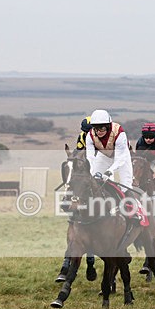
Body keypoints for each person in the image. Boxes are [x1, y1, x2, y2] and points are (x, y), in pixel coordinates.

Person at [56, 115, 97, 283]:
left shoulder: (101, 141)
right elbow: (76, 157)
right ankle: (68, 262)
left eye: (90, 131)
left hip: (97, 178)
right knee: (74, 222)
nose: (88, 134)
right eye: (86, 131)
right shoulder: (82, 139)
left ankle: (91, 261)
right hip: (81, 184)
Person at [85, 109, 134, 188]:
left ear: (108, 126)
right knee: (95, 179)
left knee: (126, 185)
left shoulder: (119, 133)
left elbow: (119, 159)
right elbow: (90, 158)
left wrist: (110, 171)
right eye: (96, 128)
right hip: (104, 155)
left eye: (102, 128)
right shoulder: (90, 135)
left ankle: (131, 199)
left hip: (122, 156)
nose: (99, 132)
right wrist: (89, 171)